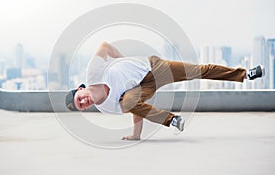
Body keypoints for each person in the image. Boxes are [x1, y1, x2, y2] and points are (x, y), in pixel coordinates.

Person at [65, 42, 265, 140]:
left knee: (198, 71)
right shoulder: (106, 108)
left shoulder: (93, 72)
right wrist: (136, 134)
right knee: (127, 102)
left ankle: (246, 74)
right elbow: (135, 108)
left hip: (154, 67)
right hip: (142, 88)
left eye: (79, 98)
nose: (84, 102)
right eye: (81, 106)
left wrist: (120, 59)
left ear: (81, 89)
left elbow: (105, 46)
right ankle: (172, 120)